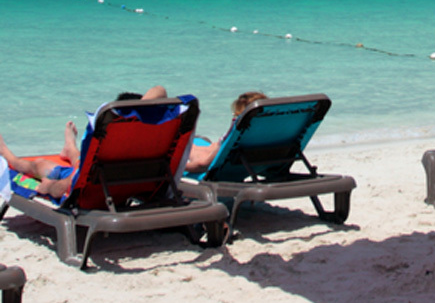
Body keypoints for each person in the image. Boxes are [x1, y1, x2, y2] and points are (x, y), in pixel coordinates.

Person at [0, 85, 168, 198]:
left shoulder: (115, 138)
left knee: (39, 165)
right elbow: (160, 90)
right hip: (128, 181)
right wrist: (141, 114)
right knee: (83, 163)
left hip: (95, 183)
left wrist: (48, 188)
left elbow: (70, 185)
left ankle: (8, 155)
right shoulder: (155, 137)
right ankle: (70, 148)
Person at [185, 91, 268, 173]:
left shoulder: (239, 132)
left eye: (236, 114)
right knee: (211, 147)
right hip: (257, 162)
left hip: (234, 167)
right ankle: (190, 146)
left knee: (194, 151)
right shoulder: (270, 130)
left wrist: (183, 168)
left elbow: (202, 166)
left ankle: (187, 146)